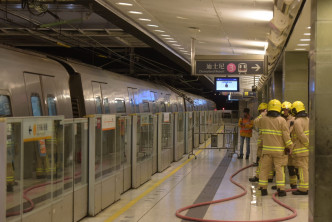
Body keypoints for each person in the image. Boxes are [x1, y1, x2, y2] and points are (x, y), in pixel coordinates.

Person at [258, 99, 293, 197]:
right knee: (279, 170)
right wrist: (289, 146)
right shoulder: (282, 120)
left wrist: (263, 114)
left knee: (264, 169)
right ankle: (281, 190)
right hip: (278, 152)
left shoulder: (263, 119)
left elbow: (256, 122)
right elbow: (286, 136)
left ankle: (263, 189)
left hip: (266, 151)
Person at [291, 101, 309, 195]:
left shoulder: (297, 121)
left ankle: (303, 189)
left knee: (302, 169)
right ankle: (307, 187)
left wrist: (308, 144)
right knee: (306, 169)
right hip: (307, 151)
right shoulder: (308, 119)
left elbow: (301, 135)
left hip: (302, 150)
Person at [249, 103, 267, 182]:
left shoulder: (264, 117)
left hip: (264, 143)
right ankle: (268, 177)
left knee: (261, 160)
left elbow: (255, 122)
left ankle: (258, 176)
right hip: (268, 143)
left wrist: (262, 114)